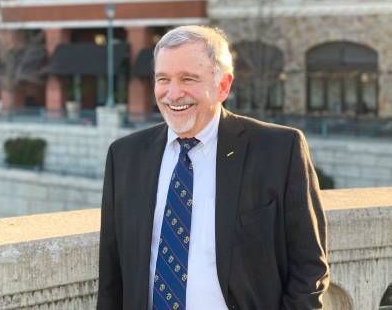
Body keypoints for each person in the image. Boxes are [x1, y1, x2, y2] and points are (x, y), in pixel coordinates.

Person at [97, 25, 329, 310]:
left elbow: (309, 268)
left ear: (223, 85)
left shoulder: (279, 150)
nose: (172, 93)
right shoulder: (125, 156)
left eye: (188, 79)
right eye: (163, 79)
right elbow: (111, 275)